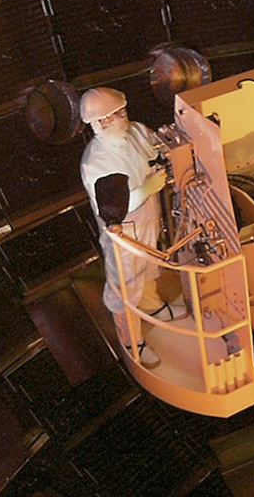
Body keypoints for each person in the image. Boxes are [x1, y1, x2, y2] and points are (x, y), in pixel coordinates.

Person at [78, 87, 183, 325]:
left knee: (148, 266)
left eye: (120, 112)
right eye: (109, 116)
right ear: (97, 123)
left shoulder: (136, 131)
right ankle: (131, 336)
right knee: (126, 281)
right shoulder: (95, 162)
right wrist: (146, 188)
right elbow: (112, 209)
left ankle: (153, 306)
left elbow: (156, 147)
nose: (118, 119)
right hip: (124, 231)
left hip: (148, 214)